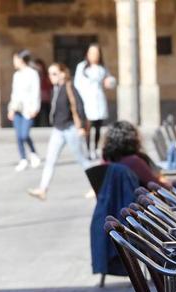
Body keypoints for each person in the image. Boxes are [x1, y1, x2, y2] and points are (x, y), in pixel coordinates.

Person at [28, 63, 89, 200]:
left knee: (82, 159)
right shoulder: (56, 88)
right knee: (50, 160)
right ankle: (43, 189)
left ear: (63, 73)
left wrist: (81, 127)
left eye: (54, 74)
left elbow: (79, 106)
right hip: (58, 129)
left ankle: (97, 186)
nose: (51, 77)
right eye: (49, 74)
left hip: (70, 128)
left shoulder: (69, 87)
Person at [74, 43, 116, 160]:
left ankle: (96, 148)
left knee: (98, 126)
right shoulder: (82, 67)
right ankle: (88, 149)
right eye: (92, 53)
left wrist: (109, 82)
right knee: (88, 126)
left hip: (99, 99)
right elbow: (77, 84)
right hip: (87, 99)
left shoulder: (102, 68)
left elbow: (109, 81)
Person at [102, 120, 172, 189]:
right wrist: (171, 184)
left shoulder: (104, 162)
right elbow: (156, 185)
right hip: (137, 199)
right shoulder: (134, 162)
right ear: (132, 139)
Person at [7, 50, 41, 172]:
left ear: (21, 60)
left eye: (15, 59)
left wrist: (35, 108)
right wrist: (11, 108)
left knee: (24, 134)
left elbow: (36, 92)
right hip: (17, 109)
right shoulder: (16, 75)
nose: (14, 62)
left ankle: (33, 153)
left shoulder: (32, 74)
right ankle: (23, 159)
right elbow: (14, 94)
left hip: (28, 109)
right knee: (18, 136)